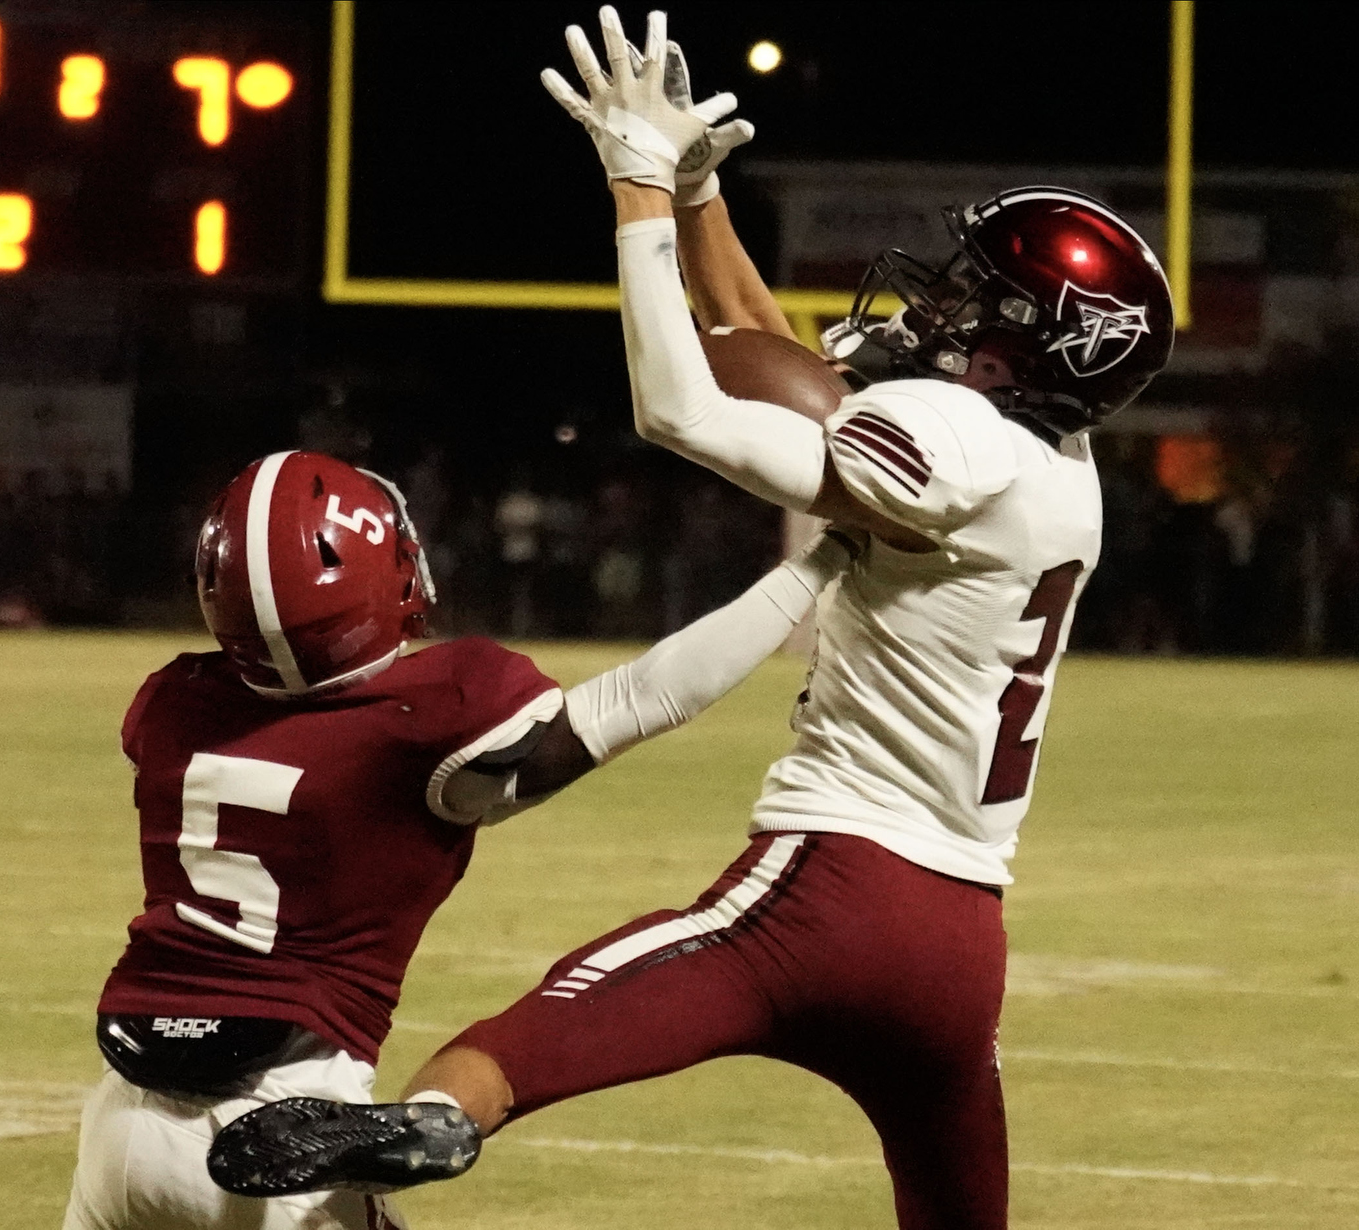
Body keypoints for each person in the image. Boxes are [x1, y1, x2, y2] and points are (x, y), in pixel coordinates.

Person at [206, 10, 1175, 1230]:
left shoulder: (953, 442)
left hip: (834, 891)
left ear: (1028, 347)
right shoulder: (1053, 462)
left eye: (978, 297)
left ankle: (440, 1117)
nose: (940, 304)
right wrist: (709, 195)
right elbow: (779, 355)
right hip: (958, 943)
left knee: (574, 1010)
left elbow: (687, 405)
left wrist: (642, 190)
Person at [61, 447, 857, 1230]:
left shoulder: (170, 704)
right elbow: (641, 697)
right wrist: (813, 569)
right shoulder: (427, 719)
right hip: (288, 1126)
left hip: (118, 1120)